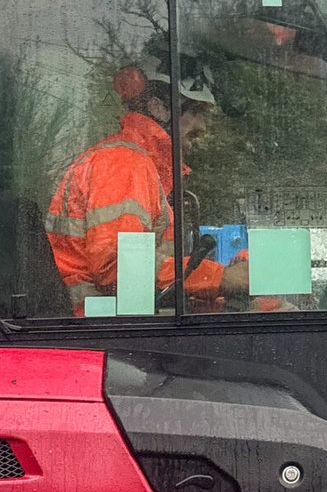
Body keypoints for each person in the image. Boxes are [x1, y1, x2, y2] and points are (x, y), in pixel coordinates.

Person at [44, 52, 249, 316]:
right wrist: (222, 278)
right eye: (196, 112)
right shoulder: (124, 164)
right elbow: (118, 268)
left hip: (125, 318)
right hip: (105, 325)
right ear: (157, 107)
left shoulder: (140, 164)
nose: (203, 126)